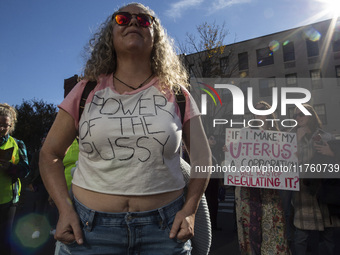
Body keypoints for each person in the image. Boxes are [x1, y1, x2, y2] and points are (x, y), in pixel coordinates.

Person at [39, 3, 211, 255]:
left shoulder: (177, 94)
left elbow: (204, 157)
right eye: (123, 18)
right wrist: (64, 209)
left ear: (156, 35)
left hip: (165, 232)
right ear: (111, 34)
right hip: (88, 232)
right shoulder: (86, 90)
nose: (133, 23)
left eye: (144, 20)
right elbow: (50, 154)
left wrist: (190, 210)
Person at [234, 101, 290, 255]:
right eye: (255, 111)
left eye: (262, 110)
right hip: (248, 191)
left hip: (269, 191)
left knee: (272, 225)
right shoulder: (245, 132)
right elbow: (237, 158)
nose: (258, 113)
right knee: (251, 228)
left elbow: (286, 161)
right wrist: (231, 151)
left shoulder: (278, 135)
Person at [291, 104, 340, 255]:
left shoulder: (326, 136)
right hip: (304, 193)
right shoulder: (291, 136)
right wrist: (297, 141)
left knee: (328, 236)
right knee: (301, 237)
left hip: (324, 193)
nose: (298, 117)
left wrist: (332, 153)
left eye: (301, 114)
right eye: (296, 116)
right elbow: (290, 164)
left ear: (311, 115)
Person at [0, 103, 30, 255]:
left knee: (4, 242)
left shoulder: (18, 144)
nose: (1, 128)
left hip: (8, 201)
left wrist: (11, 167)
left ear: (11, 125)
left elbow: (25, 170)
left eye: (5, 125)